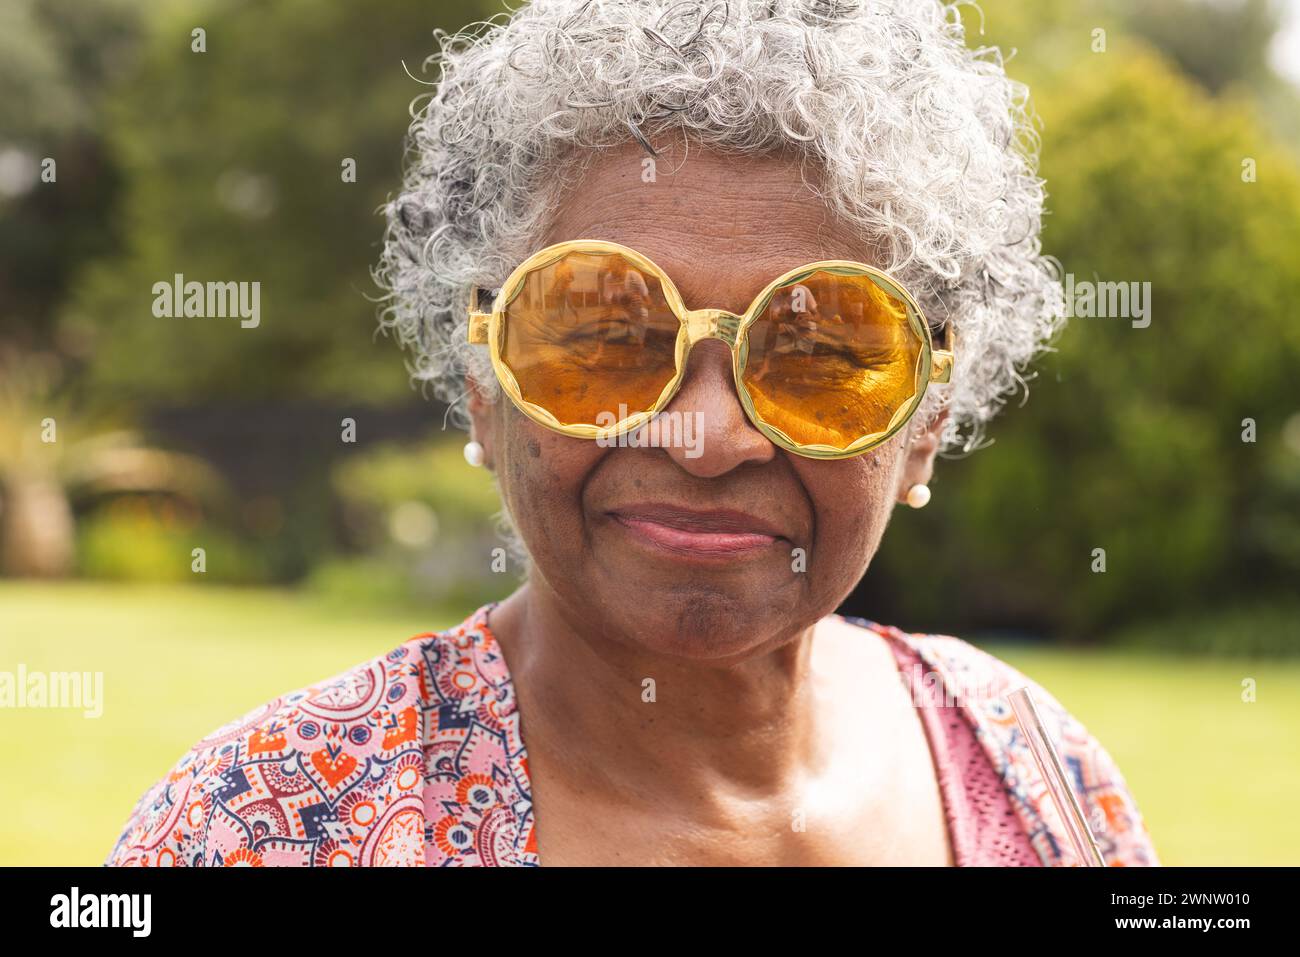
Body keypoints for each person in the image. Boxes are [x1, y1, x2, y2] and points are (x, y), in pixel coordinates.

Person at [105, 0, 1159, 867]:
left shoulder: (1035, 773)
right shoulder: (268, 827)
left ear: (924, 421)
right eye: (606, 332)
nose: (708, 436)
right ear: (485, 382)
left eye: (822, 353)